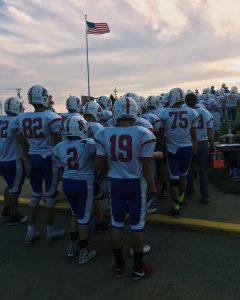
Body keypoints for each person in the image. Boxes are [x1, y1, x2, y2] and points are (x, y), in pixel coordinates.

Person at [95, 96, 157, 280]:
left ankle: (119, 266)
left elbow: (99, 164)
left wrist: (109, 169)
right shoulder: (143, 133)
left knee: (117, 224)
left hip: (115, 183)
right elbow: (146, 167)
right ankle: (138, 268)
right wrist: (153, 188)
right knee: (137, 227)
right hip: (135, 184)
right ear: (135, 113)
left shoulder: (103, 133)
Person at [16, 85, 65, 244]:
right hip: (48, 159)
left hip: (33, 157)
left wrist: (27, 151)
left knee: (35, 194)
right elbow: (57, 139)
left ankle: (30, 231)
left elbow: (21, 137)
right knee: (50, 196)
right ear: (44, 97)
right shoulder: (51, 116)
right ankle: (50, 231)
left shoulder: (22, 117)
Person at [52, 116, 96, 264]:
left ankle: (73, 245)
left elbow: (58, 163)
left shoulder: (59, 146)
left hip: (67, 181)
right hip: (83, 182)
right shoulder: (88, 143)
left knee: (74, 213)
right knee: (84, 217)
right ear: (82, 128)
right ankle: (84, 250)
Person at [158, 88, 199, 218]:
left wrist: (161, 148)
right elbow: (194, 135)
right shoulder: (192, 112)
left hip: (172, 149)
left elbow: (162, 133)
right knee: (184, 175)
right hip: (187, 148)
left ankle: (176, 208)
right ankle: (181, 201)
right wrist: (195, 150)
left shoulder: (165, 112)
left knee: (174, 179)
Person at [82, 101, 110, 233]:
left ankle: (93, 215)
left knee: (90, 194)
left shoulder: (78, 123)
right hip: (95, 164)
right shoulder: (98, 127)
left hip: (80, 165)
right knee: (98, 193)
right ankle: (100, 221)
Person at [0, 97, 27, 225]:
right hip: (12, 160)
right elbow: (22, 140)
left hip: (1, 159)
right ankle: (14, 215)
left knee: (10, 186)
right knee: (15, 189)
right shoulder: (17, 121)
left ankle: (6, 209)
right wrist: (27, 153)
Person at [185, 93, 215, 204]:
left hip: (190, 143)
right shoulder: (206, 112)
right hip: (203, 142)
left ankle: (189, 192)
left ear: (186, 102)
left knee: (189, 170)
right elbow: (210, 134)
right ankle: (205, 196)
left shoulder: (186, 112)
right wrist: (212, 146)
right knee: (203, 171)